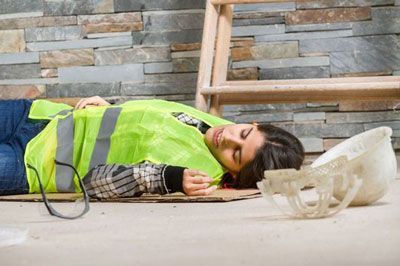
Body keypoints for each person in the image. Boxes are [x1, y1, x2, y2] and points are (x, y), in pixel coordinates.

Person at [0, 96, 305, 199]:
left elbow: (95, 183)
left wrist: (167, 179)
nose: (227, 138)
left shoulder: (196, 174)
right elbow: (145, 119)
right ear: (252, 123)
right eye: (243, 132)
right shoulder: (211, 122)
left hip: (31, 164)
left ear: (235, 177)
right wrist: (109, 107)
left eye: (236, 154)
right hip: (39, 115)